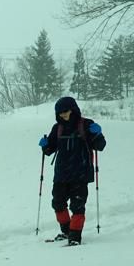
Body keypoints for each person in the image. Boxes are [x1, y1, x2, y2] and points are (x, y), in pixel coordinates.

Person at [39, 96, 106, 245]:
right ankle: (66, 231)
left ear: (73, 109)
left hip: (80, 174)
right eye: (60, 112)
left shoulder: (86, 124)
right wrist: (45, 145)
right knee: (58, 203)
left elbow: (100, 145)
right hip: (61, 174)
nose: (63, 114)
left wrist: (97, 134)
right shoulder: (58, 128)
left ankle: (75, 237)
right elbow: (50, 149)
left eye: (66, 111)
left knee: (77, 206)